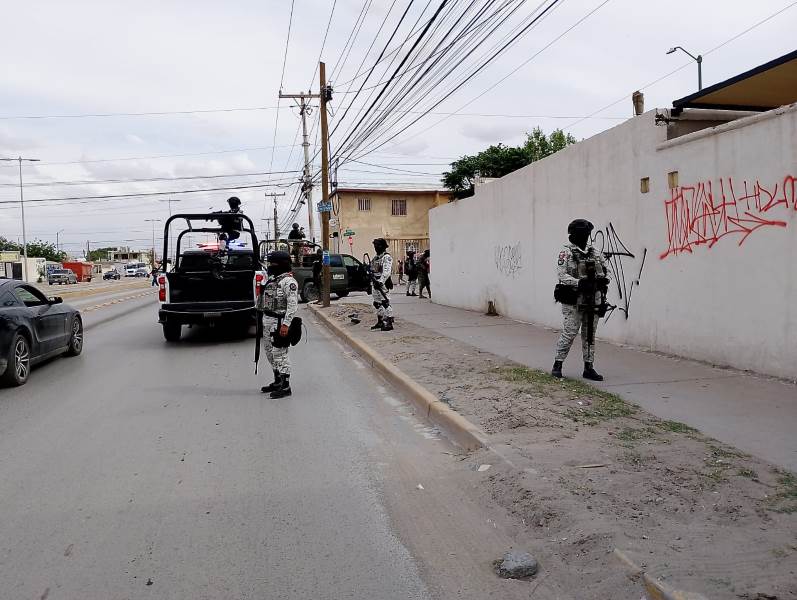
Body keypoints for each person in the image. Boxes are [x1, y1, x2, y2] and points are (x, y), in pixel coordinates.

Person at [551, 219, 611, 381]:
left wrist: (602, 281)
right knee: (570, 332)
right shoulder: (567, 253)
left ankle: (589, 367)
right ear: (573, 235)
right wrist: (579, 282)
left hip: (594, 298)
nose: (584, 237)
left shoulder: (595, 252)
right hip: (574, 298)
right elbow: (562, 274)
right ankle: (558, 364)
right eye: (581, 234)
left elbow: (607, 271)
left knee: (590, 334)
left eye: (586, 234)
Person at [259, 251, 299, 398]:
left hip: (279, 321)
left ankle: (286, 385)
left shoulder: (289, 282)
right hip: (268, 320)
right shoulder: (273, 280)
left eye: (273, 263)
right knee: (270, 353)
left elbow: (292, 306)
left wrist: (286, 324)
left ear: (281, 264)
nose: (270, 266)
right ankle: (277, 381)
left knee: (280, 354)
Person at [370, 238, 394, 331]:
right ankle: (380, 320)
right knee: (377, 303)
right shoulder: (376, 258)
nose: (376, 247)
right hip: (375, 282)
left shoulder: (386, 257)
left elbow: (386, 272)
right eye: (375, 246)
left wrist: (380, 282)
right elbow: (373, 269)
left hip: (382, 283)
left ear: (383, 247)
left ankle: (389, 321)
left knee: (385, 302)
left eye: (378, 245)